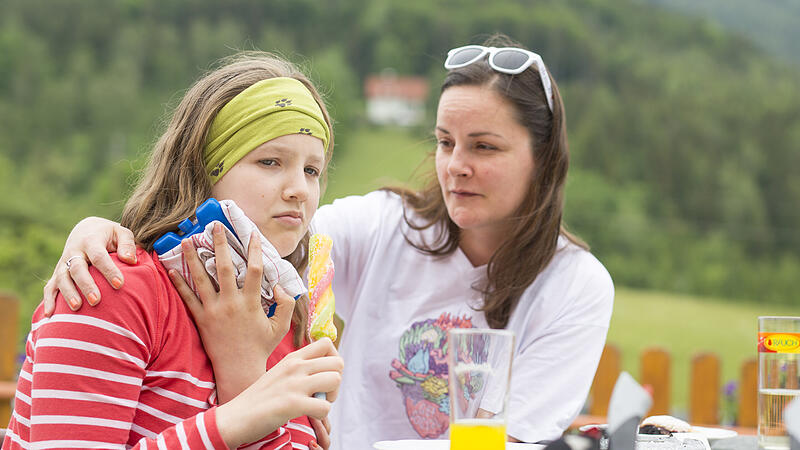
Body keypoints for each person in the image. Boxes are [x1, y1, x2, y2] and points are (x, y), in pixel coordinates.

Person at [40, 34, 614, 448]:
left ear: (544, 159)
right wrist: (100, 230)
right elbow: (275, 233)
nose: (455, 166)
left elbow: (513, 440)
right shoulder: (387, 227)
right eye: (444, 142)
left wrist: (244, 375)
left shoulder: (576, 285)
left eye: (483, 147)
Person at [3, 53, 345, 449]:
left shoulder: (285, 323)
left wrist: (244, 375)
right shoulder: (110, 290)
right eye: (270, 161)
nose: (300, 190)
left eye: (312, 170)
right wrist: (238, 417)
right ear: (203, 170)